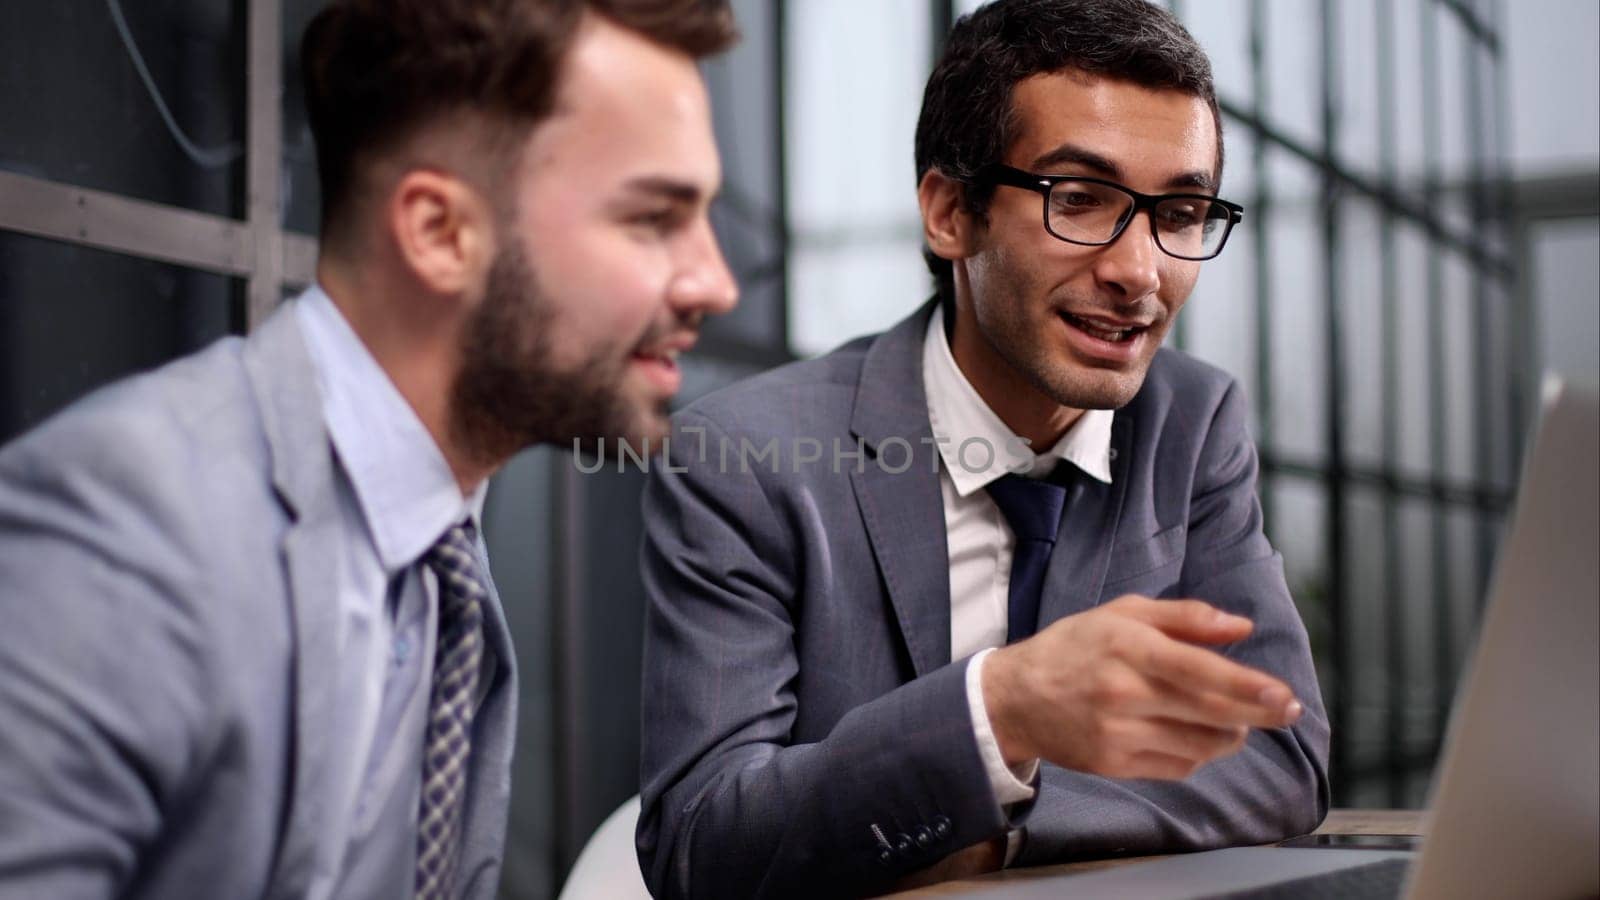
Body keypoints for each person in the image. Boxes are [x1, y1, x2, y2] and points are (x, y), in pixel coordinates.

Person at [0, 1, 737, 898]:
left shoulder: (441, 549)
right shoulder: (127, 526)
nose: (718, 284)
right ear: (437, 232)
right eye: (654, 217)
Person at [635, 1, 1330, 896]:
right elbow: (701, 841)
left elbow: (1282, 756)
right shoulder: (749, 456)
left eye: (1183, 212)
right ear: (949, 213)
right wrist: (998, 711)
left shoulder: (1192, 424)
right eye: (1080, 199)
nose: (1140, 270)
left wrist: (1001, 831)